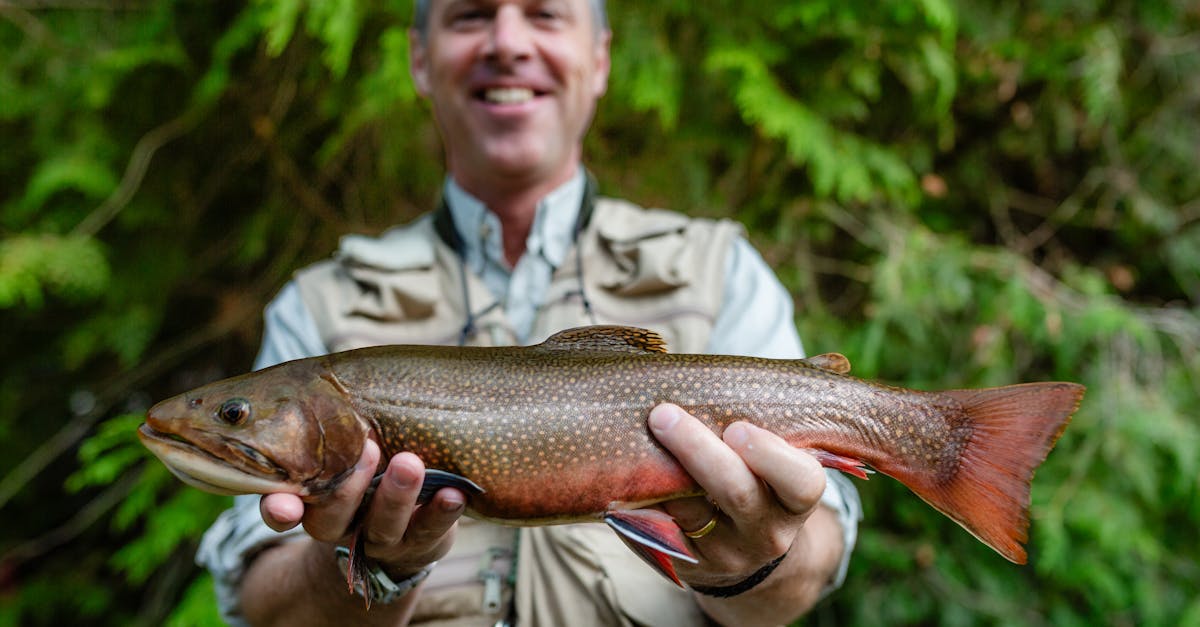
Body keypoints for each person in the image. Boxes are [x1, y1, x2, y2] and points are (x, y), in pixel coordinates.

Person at [197, 0, 861, 625]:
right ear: (420, 60)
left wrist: (754, 566)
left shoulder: (721, 268)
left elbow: (816, 555)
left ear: (599, 60)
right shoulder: (318, 302)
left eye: (544, 13)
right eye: (472, 15)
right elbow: (263, 599)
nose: (508, 42)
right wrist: (362, 565)